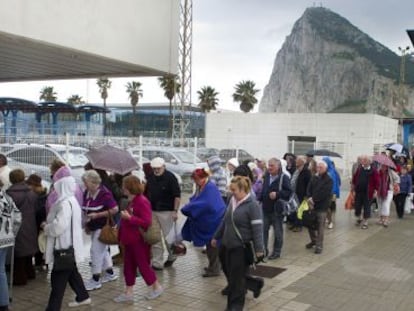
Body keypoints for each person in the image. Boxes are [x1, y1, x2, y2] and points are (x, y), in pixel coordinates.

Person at [212, 176, 264, 311]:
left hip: (240, 248)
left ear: (243, 189)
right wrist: (216, 236)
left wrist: (259, 249)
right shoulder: (232, 200)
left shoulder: (253, 205)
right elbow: (225, 221)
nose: (231, 191)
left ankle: (234, 306)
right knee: (229, 272)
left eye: (234, 189)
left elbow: (257, 229)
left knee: (236, 280)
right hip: (225, 245)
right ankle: (254, 284)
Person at [42, 175, 91, 310]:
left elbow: (59, 227)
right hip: (71, 246)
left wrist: (46, 227)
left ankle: (53, 308)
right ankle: (83, 296)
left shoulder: (63, 203)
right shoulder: (72, 200)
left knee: (58, 279)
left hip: (64, 246)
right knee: (71, 272)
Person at [114, 175, 163, 303]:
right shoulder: (132, 200)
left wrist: (129, 218)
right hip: (130, 240)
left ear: (129, 187)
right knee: (128, 266)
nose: (122, 188)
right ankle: (128, 292)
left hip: (139, 241)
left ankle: (156, 287)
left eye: (124, 186)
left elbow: (146, 222)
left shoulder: (142, 201)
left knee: (143, 266)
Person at [181, 168, 226, 277]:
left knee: (213, 246)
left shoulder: (210, 187)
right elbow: (199, 199)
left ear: (203, 178)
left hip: (214, 220)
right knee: (210, 245)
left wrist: (191, 206)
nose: (195, 182)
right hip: (210, 220)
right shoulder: (203, 186)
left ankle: (214, 269)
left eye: (197, 179)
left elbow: (207, 203)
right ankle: (213, 266)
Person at [81, 170, 119, 291]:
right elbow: (86, 210)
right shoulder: (87, 192)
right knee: (103, 251)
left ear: (93, 182)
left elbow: (115, 209)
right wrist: (87, 225)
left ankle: (96, 279)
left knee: (95, 251)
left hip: (102, 227)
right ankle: (110, 273)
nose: (84, 185)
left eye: (85, 182)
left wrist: (98, 215)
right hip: (92, 227)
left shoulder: (104, 194)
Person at [145, 157, 181, 270]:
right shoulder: (150, 177)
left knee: (168, 237)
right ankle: (157, 262)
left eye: (158, 168)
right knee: (155, 237)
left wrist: (175, 211)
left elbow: (177, 196)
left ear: (164, 167)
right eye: (154, 168)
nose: (156, 170)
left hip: (167, 211)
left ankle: (172, 255)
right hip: (153, 210)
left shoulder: (171, 177)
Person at [6, 169, 38, 285]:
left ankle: (20, 279)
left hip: (17, 226)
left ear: (11, 179)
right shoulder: (32, 192)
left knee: (18, 254)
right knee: (28, 252)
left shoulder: (10, 195)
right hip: (31, 225)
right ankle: (30, 273)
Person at [259, 158, 292, 259]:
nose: (269, 167)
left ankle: (276, 252)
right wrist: (259, 199)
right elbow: (264, 190)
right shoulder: (267, 176)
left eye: (272, 166)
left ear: (278, 167)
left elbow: (289, 192)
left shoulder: (284, 178)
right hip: (265, 209)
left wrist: (277, 194)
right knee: (263, 231)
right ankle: (264, 250)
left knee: (278, 233)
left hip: (277, 211)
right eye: (269, 165)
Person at [0, 188, 21, 311]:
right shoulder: (7, 197)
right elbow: (18, 217)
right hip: (7, 239)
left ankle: (3, 304)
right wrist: (12, 233)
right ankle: (3, 303)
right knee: (1, 271)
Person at [306, 161, 333, 254]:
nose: (319, 169)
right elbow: (309, 188)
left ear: (325, 168)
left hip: (322, 206)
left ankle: (319, 245)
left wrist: (314, 199)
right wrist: (309, 197)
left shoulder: (328, 179)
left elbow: (324, 193)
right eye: (318, 167)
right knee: (310, 224)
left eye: (321, 167)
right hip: (311, 205)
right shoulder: (314, 177)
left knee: (320, 226)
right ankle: (313, 240)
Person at [25, 174, 48, 270]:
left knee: (40, 242)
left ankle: (41, 262)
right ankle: (41, 262)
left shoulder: (36, 195)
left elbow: (38, 209)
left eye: (29, 184)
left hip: (38, 221)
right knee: (41, 242)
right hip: (40, 221)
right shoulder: (43, 193)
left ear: (33, 185)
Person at [351, 155, 380, 229]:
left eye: (364, 160)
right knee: (357, 206)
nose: (362, 161)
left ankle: (365, 222)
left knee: (367, 207)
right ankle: (359, 218)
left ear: (369, 162)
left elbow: (377, 182)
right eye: (363, 160)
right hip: (359, 191)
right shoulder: (360, 169)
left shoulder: (373, 171)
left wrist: (376, 191)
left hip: (368, 192)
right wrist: (353, 188)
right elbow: (355, 178)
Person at [289, 155, 311, 232]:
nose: (295, 162)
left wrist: (307, 195)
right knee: (295, 209)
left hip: (302, 194)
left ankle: (299, 226)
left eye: (297, 160)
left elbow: (309, 184)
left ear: (302, 162)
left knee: (300, 210)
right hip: (294, 193)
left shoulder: (306, 171)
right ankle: (295, 224)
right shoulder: (297, 170)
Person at [322, 157, 341, 229]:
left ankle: (330, 221)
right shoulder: (325, 171)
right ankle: (326, 220)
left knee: (327, 207)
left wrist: (333, 192)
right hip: (323, 192)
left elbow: (334, 183)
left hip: (330, 193)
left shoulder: (331, 172)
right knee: (325, 208)